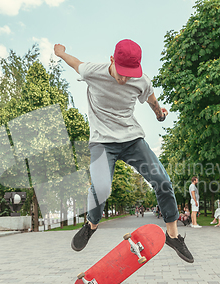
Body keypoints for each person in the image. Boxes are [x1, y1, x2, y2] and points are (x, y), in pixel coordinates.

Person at [54, 40, 194, 263]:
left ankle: (173, 236)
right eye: (122, 74)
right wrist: (61, 53)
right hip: (102, 143)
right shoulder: (93, 72)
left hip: (132, 140)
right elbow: (75, 63)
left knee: (163, 181)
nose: (126, 79)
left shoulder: (141, 79)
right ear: (112, 60)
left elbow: (151, 98)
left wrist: (160, 114)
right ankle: (91, 225)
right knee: (101, 187)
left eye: (130, 75)